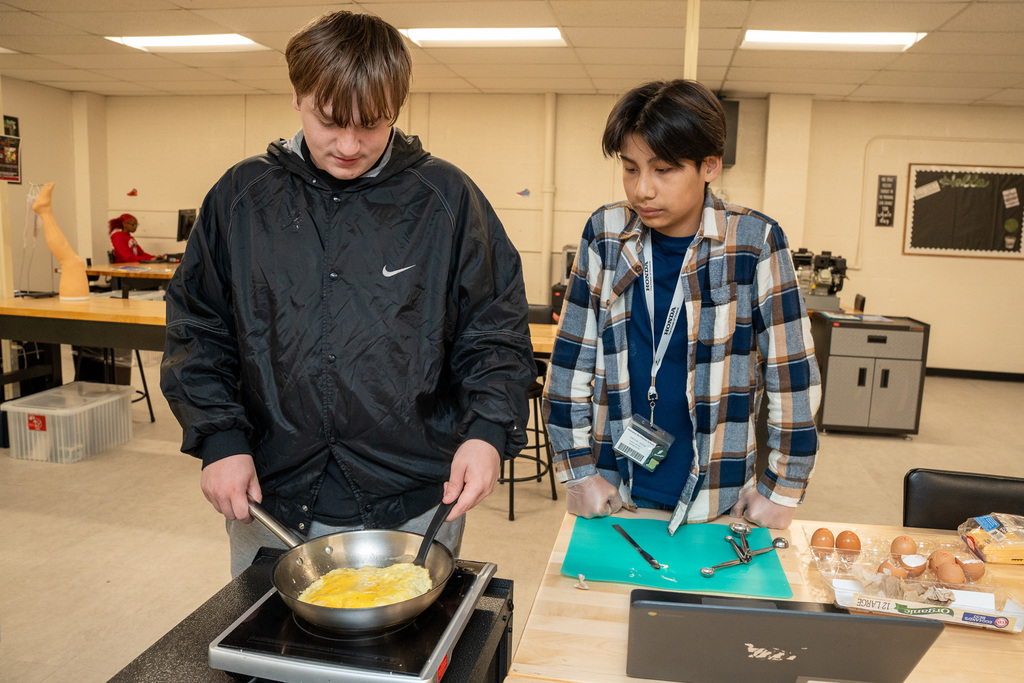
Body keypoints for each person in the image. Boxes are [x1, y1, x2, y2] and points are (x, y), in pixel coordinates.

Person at [160, 10, 534, 577]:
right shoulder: (241, 199)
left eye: (372, 124)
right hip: (271, 490)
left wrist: (486, 433)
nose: (350, 145)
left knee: (406, 655)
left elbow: (493, 329)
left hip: (414, 496)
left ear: (398, 110)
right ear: (297, 95)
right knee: (269, 654)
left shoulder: (446, 200)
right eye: (330, 121)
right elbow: (198, 328)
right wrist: (219, 438)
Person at [542, 80, 821, 535]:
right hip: (613, 486)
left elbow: (791, 376)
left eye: (664, 170)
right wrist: (576, 470)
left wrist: (782, 487)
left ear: (709, 165)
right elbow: (572, 361)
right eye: (630, 169)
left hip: (717, 491)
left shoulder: (754, 242)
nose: (642, 190)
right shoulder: (606, 233)